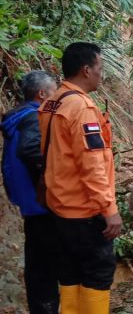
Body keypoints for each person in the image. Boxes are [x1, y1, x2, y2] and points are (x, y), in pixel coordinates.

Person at [38, 42, 121, 314]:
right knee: (97, 274)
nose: (102, 74)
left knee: (70, 276)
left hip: (59, 207)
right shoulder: (82, 108)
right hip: (84, 211)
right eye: (100, 68)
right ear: (86, 70)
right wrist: (109, 210)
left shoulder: (52, 102)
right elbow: (92, 164)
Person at [1, 70, 59, 314]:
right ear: (42, 94)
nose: (58, 98)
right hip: (43, 203)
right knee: (46, 268)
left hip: (29, 202)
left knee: (38, 265)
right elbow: (31, 151)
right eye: (55, 92)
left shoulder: (17, 118)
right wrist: (54, 178)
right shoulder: (35, 117)